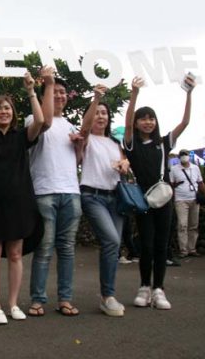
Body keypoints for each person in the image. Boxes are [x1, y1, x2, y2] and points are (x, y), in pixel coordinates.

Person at [0, 68, 48, 324]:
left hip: (19, 203)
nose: (4, 111)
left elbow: (40, 121)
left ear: (13, 114)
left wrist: (30, 90)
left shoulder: (21, 136)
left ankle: (13, 304)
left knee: (15, 254)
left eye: (8, 108)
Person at [123, 75, 195, 310]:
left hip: (163, 199)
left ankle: (159, 290)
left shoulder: (164, 143)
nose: (147, 122)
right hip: (143, 201)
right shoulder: (131, 144)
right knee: (146, 245)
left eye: (151, 118)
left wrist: (188, 94)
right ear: (136, 123)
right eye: (143, 119)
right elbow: (126, 124)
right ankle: (144, 287)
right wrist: (134, 94)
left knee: (162, 246)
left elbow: (184, 123)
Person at [27, 75, 82, 317]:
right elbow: (46, 122)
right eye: (53, 91)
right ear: (43, 96)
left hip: (71, 191)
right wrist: (47, 83)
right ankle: (38, 299)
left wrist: (80, 145)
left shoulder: (71, 126)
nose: (59, 95)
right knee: (45, 248)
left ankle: (65, 299)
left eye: (62, 92)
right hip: (44, 192)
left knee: (67, 250)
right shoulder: (34, 118)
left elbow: (78, 160)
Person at [75, 84, 130, 317]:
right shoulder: (86, 139)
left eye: (104, 113)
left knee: (114, 244)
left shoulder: (114, 144)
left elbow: (125, 167)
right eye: (97, 112)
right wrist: (96, 98)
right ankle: (107, 296)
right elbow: (85, 127)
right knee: (110, 240)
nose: (100, 116)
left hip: (114, 197)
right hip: (92, 196)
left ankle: (107, 295)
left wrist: (124, 165)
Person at [169, 149, 205, 258]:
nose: (184, 156)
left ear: (189, 156)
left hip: (194, 199)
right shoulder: (174, 169)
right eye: (182, 155)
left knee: (194, 225)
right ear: (179, 157)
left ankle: (192, 249)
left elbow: (200, 183)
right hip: (180, 200)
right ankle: (183, 250)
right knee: (182, 225)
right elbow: (170, 185)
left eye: (185, 154)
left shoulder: (195, 168)